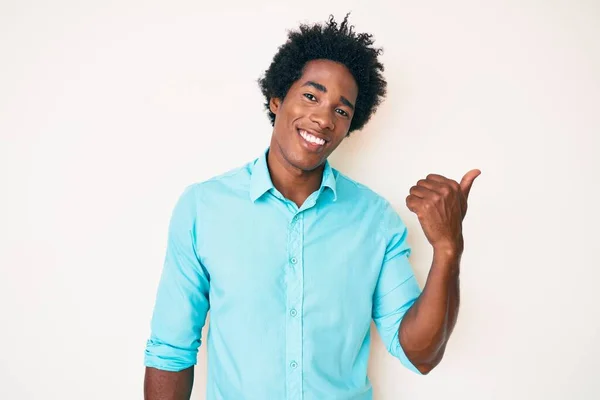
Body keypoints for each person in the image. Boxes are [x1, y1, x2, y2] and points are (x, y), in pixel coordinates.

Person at [143, 14, 480, 400]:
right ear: (276, 98)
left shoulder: (375, 220)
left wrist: (448, 248)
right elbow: (170, 350)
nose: (323, 118)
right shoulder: (203, 208)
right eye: (311, 95)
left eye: (341, 110)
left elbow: (420, 354)